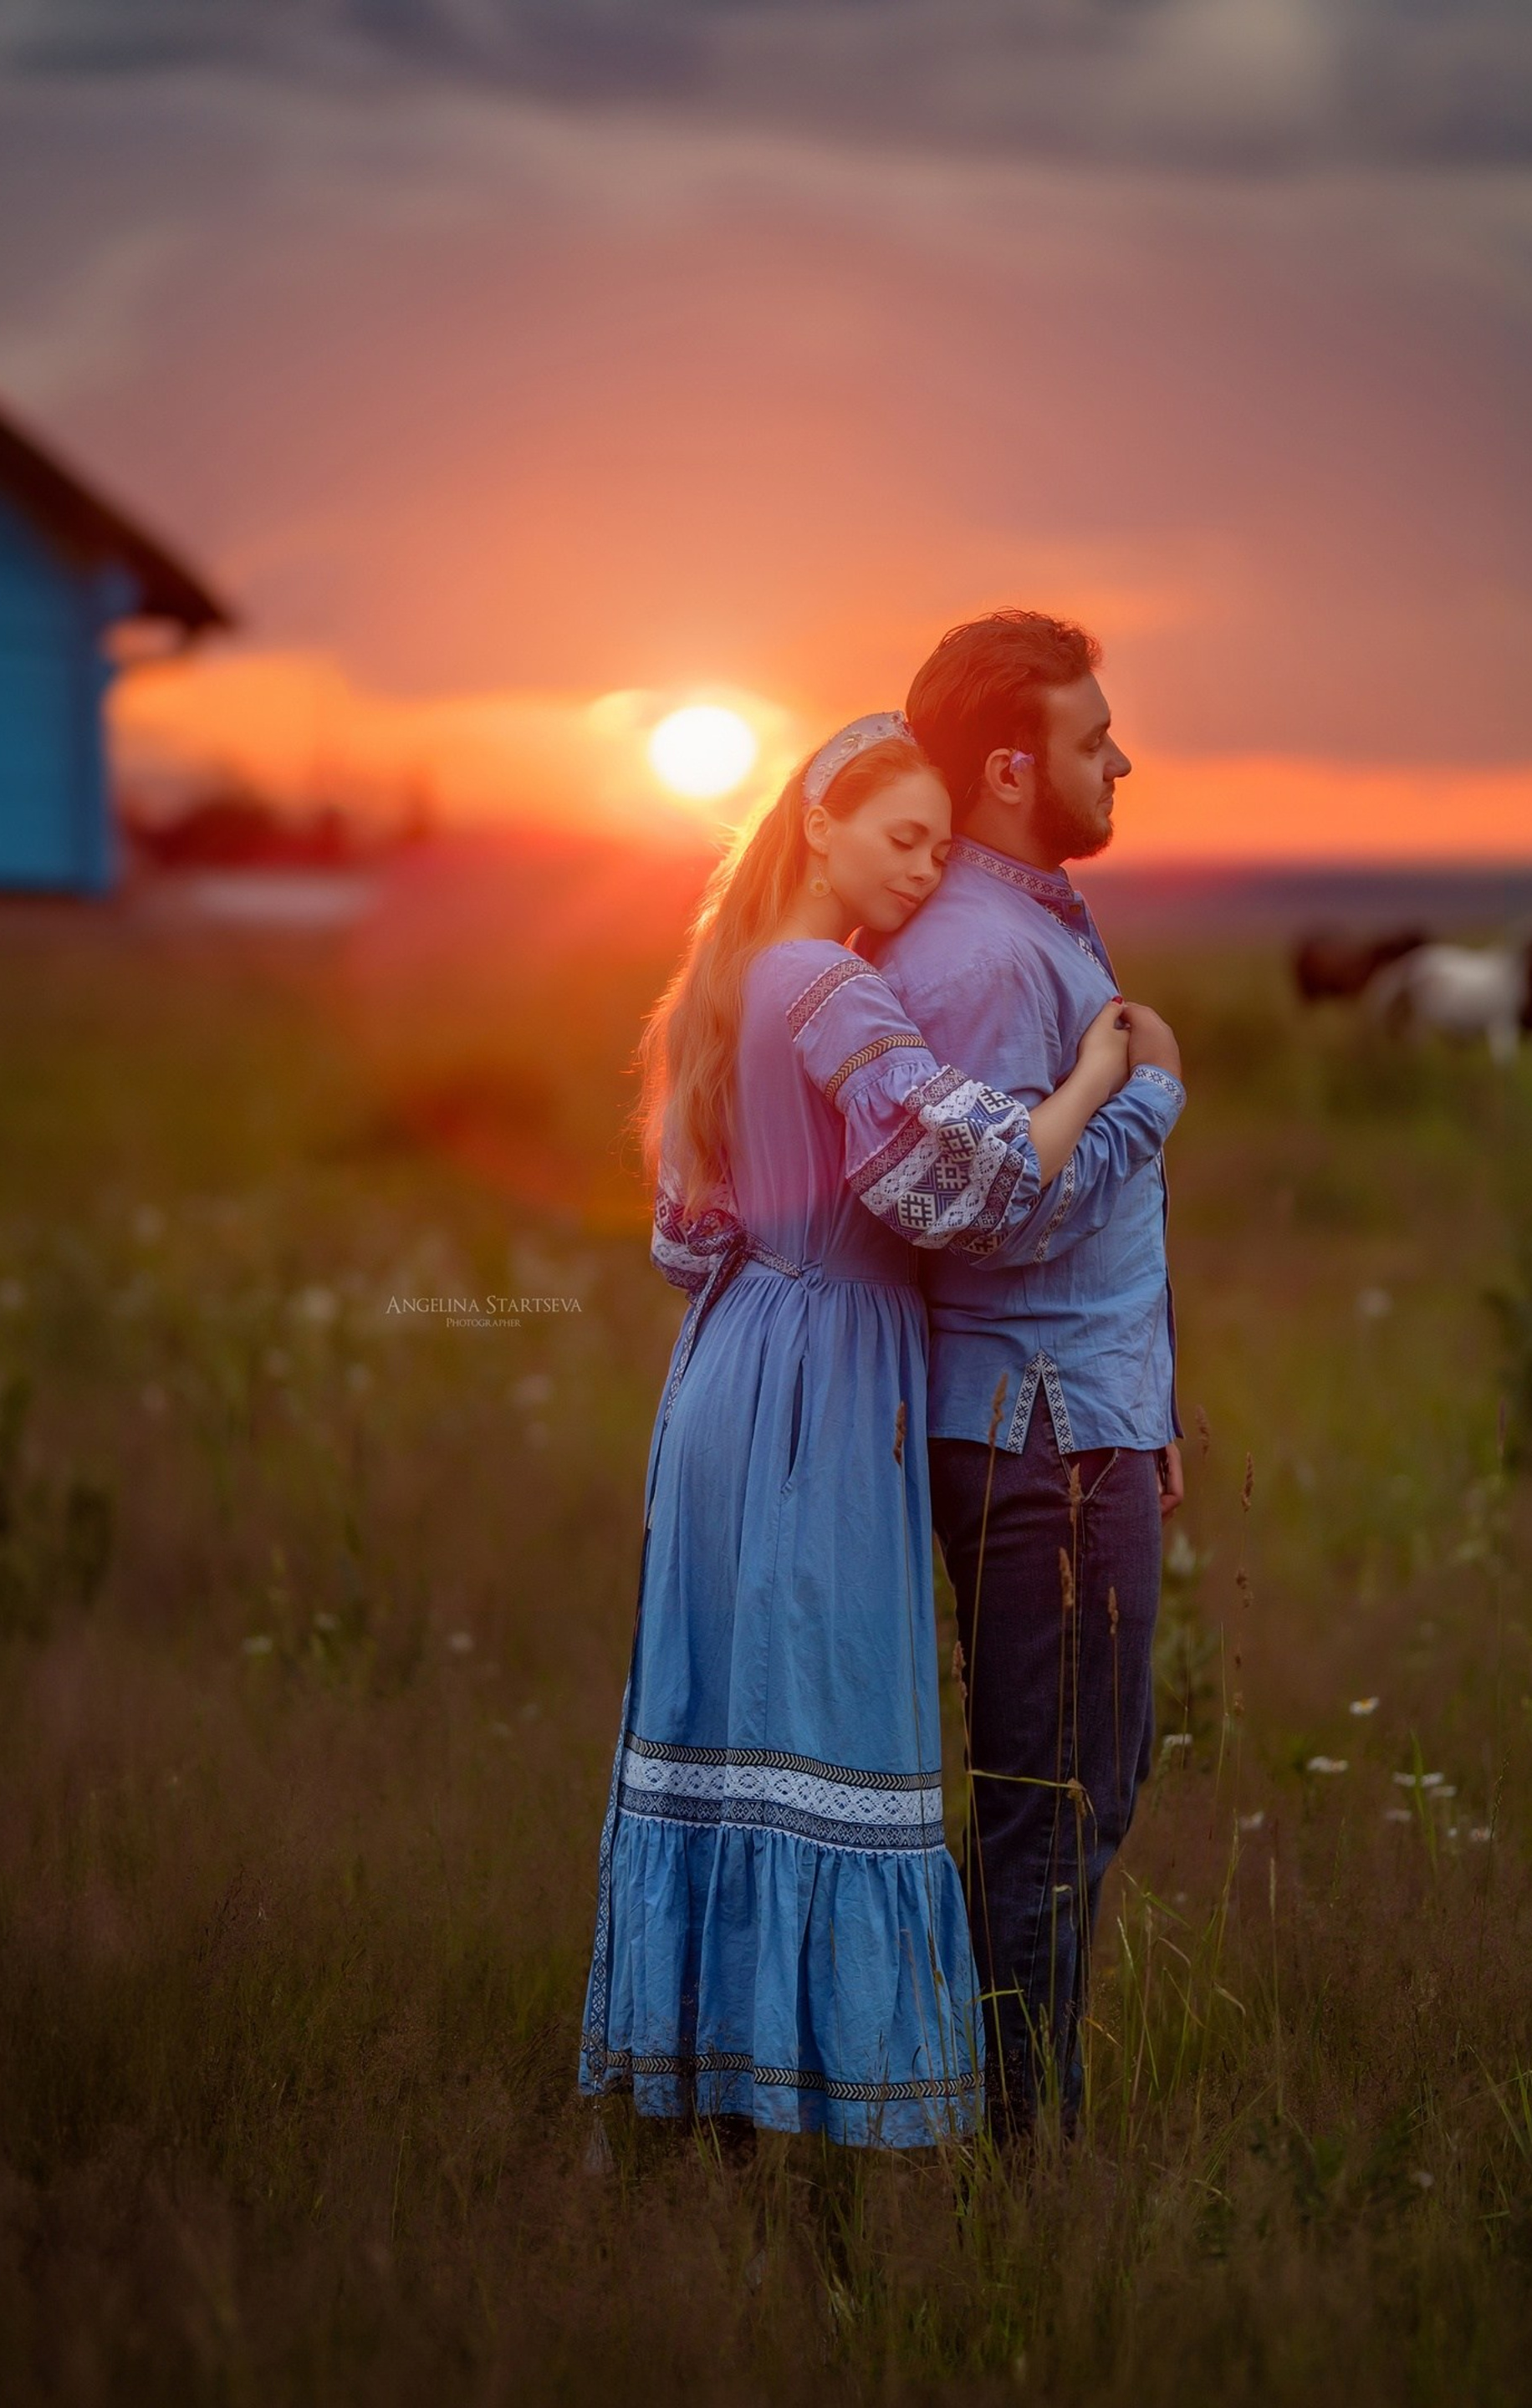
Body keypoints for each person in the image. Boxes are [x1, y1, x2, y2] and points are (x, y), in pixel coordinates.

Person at [578, 710, 1177, 2148]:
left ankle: (723, 2096)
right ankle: (835, 2110)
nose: (921, 873)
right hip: (824, 1378)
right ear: (820, 827)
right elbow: (967, 1178)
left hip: (730, 1360)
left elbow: (684, 1232)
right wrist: (1121, 1086)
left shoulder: (727, 985)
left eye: (934, 844)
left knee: (733, 1733)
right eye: (901, 841)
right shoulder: (828, 990)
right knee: (825, 1726)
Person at [866, 610, 1187, 2141]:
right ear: (1010, 767)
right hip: (1036, 1431)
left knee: (1078, 1791)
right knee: (1054, 1808)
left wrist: (1153, 1405)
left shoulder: (1033, 917)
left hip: (1084, 1415)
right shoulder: (988, 957)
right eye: (1091, 736)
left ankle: (1014, 2123)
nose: (1120, 755)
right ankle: (1020, 2158)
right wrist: (1156, 1095)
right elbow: (1002, 1215)